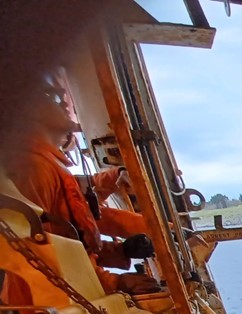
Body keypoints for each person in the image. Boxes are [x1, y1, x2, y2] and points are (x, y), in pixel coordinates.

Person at [4, 79, 157, 293]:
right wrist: (114, 283)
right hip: (49, 302)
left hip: (67, 294)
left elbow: (79, 215)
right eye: (52, 97)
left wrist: (123, 250)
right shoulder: (33, 168)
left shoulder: (49, 163)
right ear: (28, 110)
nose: (65, 104)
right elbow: (44, 250)